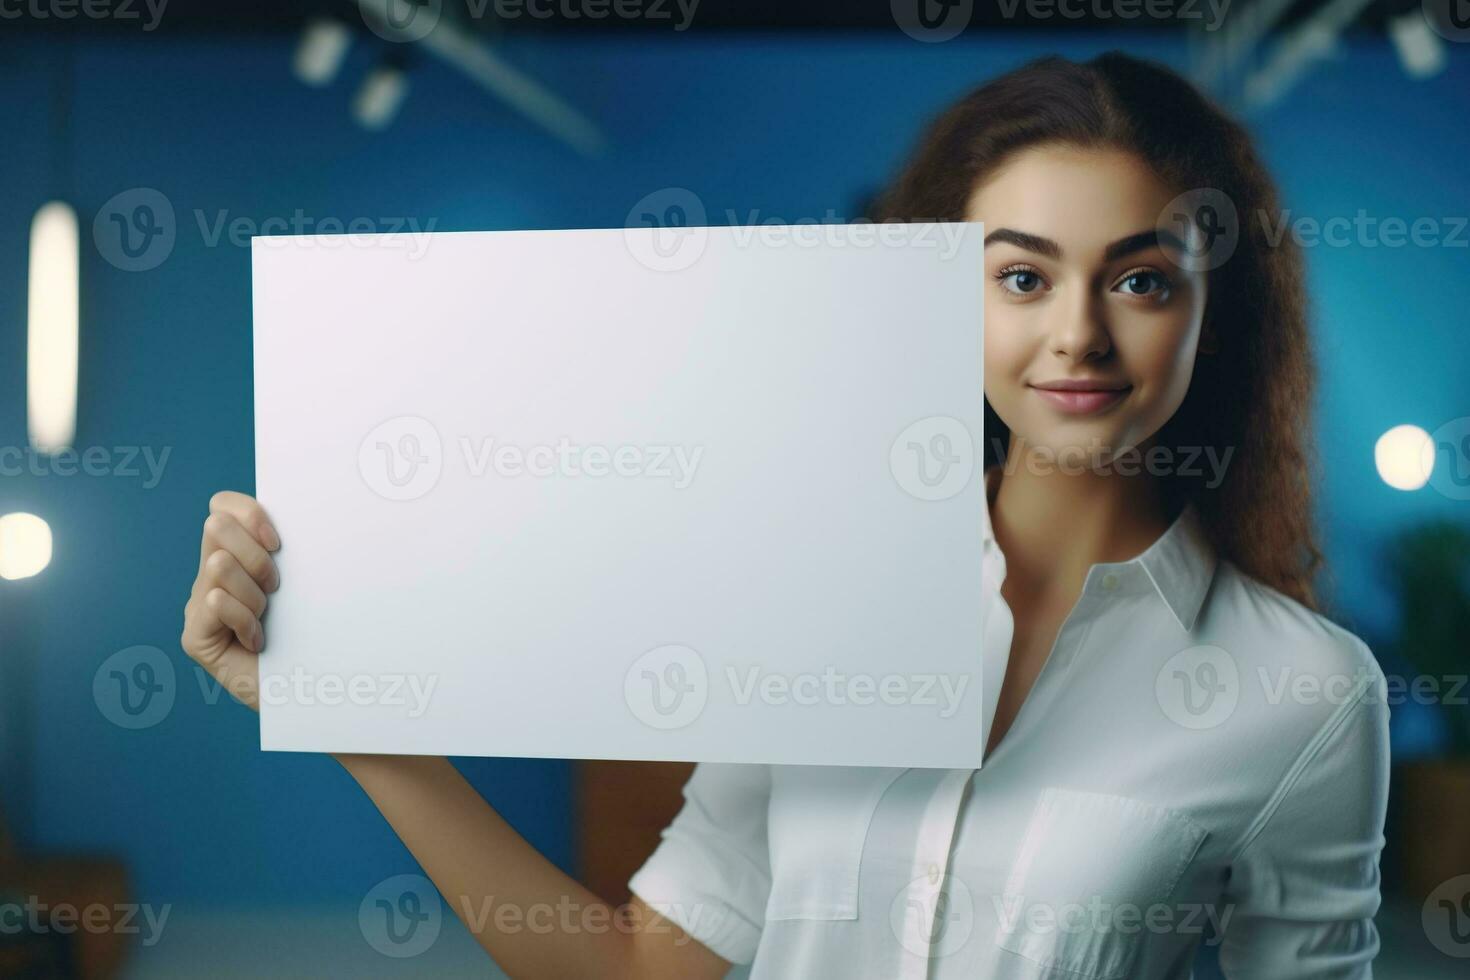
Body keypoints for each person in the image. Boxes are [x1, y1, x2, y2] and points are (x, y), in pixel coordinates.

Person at [181, 52, 1390, 978]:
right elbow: (642, 964)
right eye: (1021, 275)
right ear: (942, 293)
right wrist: (349, 709)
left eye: (1139, 278)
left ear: (1211, 312)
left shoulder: (1306, 694)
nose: (1077, 331)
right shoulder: (819, 591)